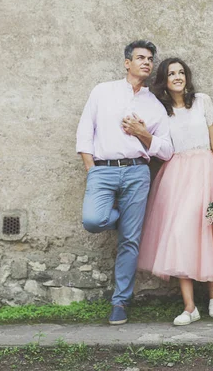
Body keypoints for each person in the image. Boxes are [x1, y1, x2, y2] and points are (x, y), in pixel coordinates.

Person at [126, 58, 213, 326]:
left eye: (181, 72)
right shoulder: (161, 111)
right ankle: (190, 306)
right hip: (176, 173)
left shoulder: (203, 101)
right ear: (165, 80)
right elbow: (158, 143)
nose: (178, 77)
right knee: (180, 232)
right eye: (172, 73)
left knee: (208, 229)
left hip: (205, 169)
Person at [76, 40, 173, 325]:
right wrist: (91, 169)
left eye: (150, 59)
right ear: (126, 63)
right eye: (140, 57)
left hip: (136, 171)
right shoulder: (102, 91)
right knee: (93, 220)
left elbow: (166, 150)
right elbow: (85, 132)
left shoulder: (154, 105)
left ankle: (120, 302)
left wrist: (143, 133)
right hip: (103, 170)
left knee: (130, 240)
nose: (146, 62)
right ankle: (122, 218)